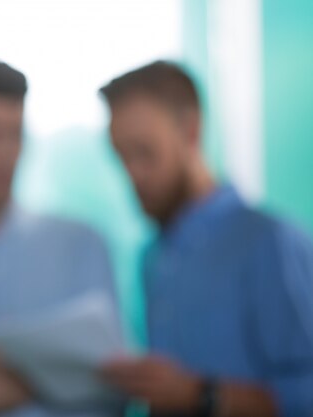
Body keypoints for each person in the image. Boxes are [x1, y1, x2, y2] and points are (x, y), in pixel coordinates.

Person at [99, 61, 313, 417]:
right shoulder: (153, 258)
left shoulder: (270, 242)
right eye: (122, 157)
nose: (133, 175)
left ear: (191, 131)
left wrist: (202, 394)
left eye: (145, 152)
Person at [0, 58, 123, 417]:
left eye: (14, 133)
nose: (4, 153)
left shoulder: (83, 245)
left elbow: (115, 389)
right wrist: (55, 375)